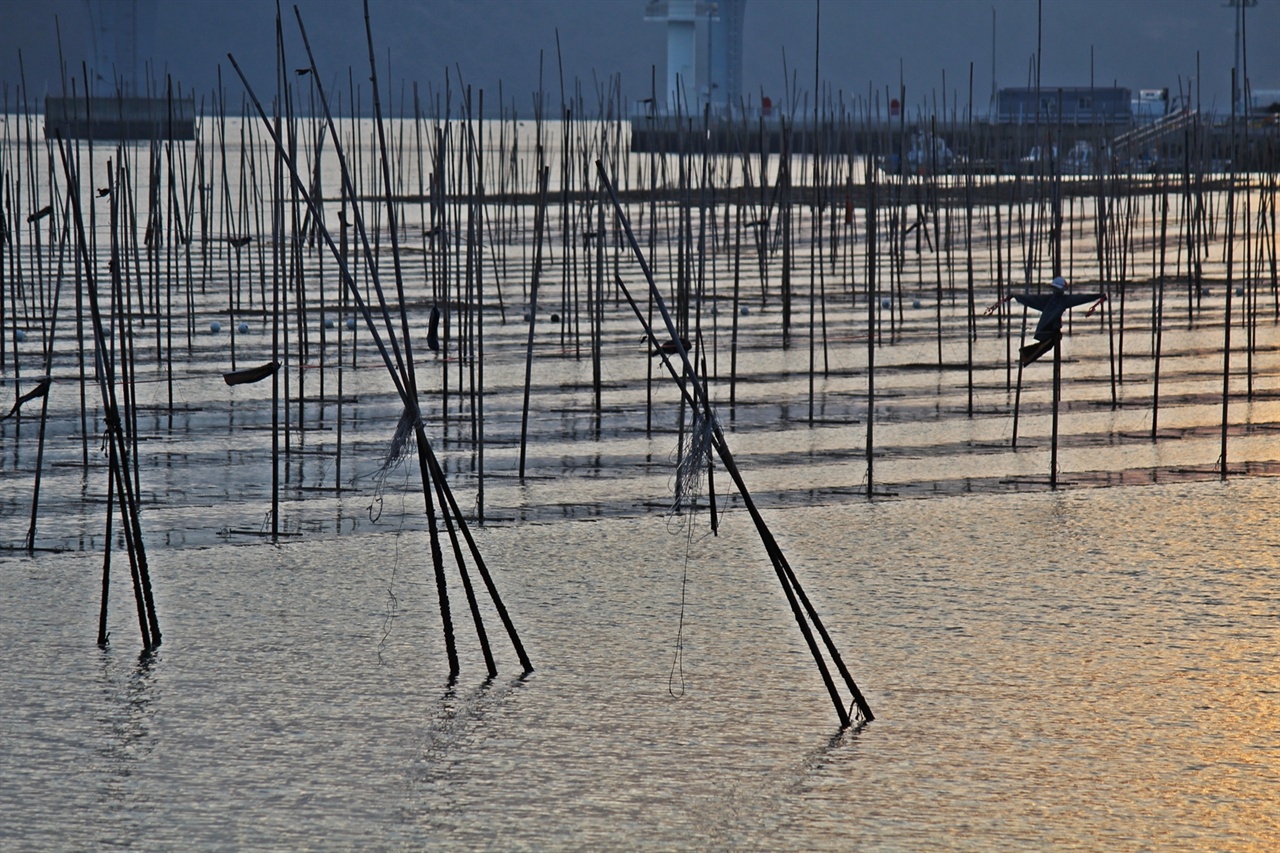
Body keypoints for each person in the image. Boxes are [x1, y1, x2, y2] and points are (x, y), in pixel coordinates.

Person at [1012, 276, 1105, 366]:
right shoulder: (1061, 300)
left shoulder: (1049, 300)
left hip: (1046, 331)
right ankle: (1025, 355)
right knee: (1045, 346)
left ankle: (1025, 355)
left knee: (1044, 346)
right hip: (1050, 331)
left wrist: (1016, 297)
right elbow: (1080, 298)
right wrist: (1098, 296)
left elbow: (1030, 299)